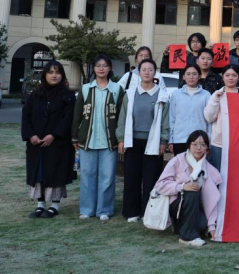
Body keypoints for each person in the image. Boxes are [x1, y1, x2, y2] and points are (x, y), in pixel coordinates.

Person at [117, 59, 170, 223]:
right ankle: (131, 211)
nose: (147, 72)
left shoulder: (162, 94)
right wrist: (121, 139)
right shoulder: (130, 93)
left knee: (151, 178)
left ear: (155, 72)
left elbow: (165, 120)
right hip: (132, 141)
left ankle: (149, 211)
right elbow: (122, 118)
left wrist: (163, 141)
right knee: (132, 177)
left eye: (150, 69)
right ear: (138, 73)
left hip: (153, 142)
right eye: (144, 69)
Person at [72, 54, 124, 222]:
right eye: (98, 65)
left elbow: (121, 117)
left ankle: (104, 210)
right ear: (93, 68)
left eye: (105, 65)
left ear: (110, 68)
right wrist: (74, 137)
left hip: (110, 141)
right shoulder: (86, 88)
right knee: (87, 176)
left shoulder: (117, 89)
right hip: (88, 140)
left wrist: (121, 138)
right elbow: (77, 114)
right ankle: (87, 209)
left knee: (107, 177)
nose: (101, 68)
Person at [21, 60, 76, 219]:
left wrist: (54, 135)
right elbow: (26, 116)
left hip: (58, 143)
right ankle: (40, 204)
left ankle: (55, 205)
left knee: (55, 173)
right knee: (38, 173)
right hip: (36, 143)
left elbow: (68, 119)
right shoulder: (35, 95)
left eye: (57, 72)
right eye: (50, 72)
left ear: (62, 75)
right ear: (45, 75)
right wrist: (31, 135)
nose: (54, 75)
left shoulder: (68, 96)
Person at [154, 130, 221, 247]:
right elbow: (160, 185)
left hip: (196, 207)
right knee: (193, 189)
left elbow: (211, 200)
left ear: (207, 148)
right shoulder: (177, 160)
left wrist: (211, 228)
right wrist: (182, 186)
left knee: (202, 226)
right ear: (189, 145)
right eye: (195, 144)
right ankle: (188, 237)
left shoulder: (209, 169)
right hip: (176, 204)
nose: (198, 148)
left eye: (203, 144)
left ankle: (181, 227)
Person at [204, 65, 239, 171]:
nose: (230, 78)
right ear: (222, 77)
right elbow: (209, 117)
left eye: (234, 75)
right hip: (219, 142)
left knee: (237, 171)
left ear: (238, 77)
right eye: (227, 75)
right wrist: (216, 100)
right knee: (218, 172)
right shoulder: (216, 94)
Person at [168, 65, 211, 156]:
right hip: (179, 139)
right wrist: (171, 140)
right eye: (188, 74)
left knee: (198, 164)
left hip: (199, 140)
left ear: (199, 76)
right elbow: (172, 118)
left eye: (194, 74)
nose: (191, 77)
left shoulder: (206, 95)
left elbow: (209, 121)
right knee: (181, 164)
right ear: (183, 77)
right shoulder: (176, 94)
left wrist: (208, 140)